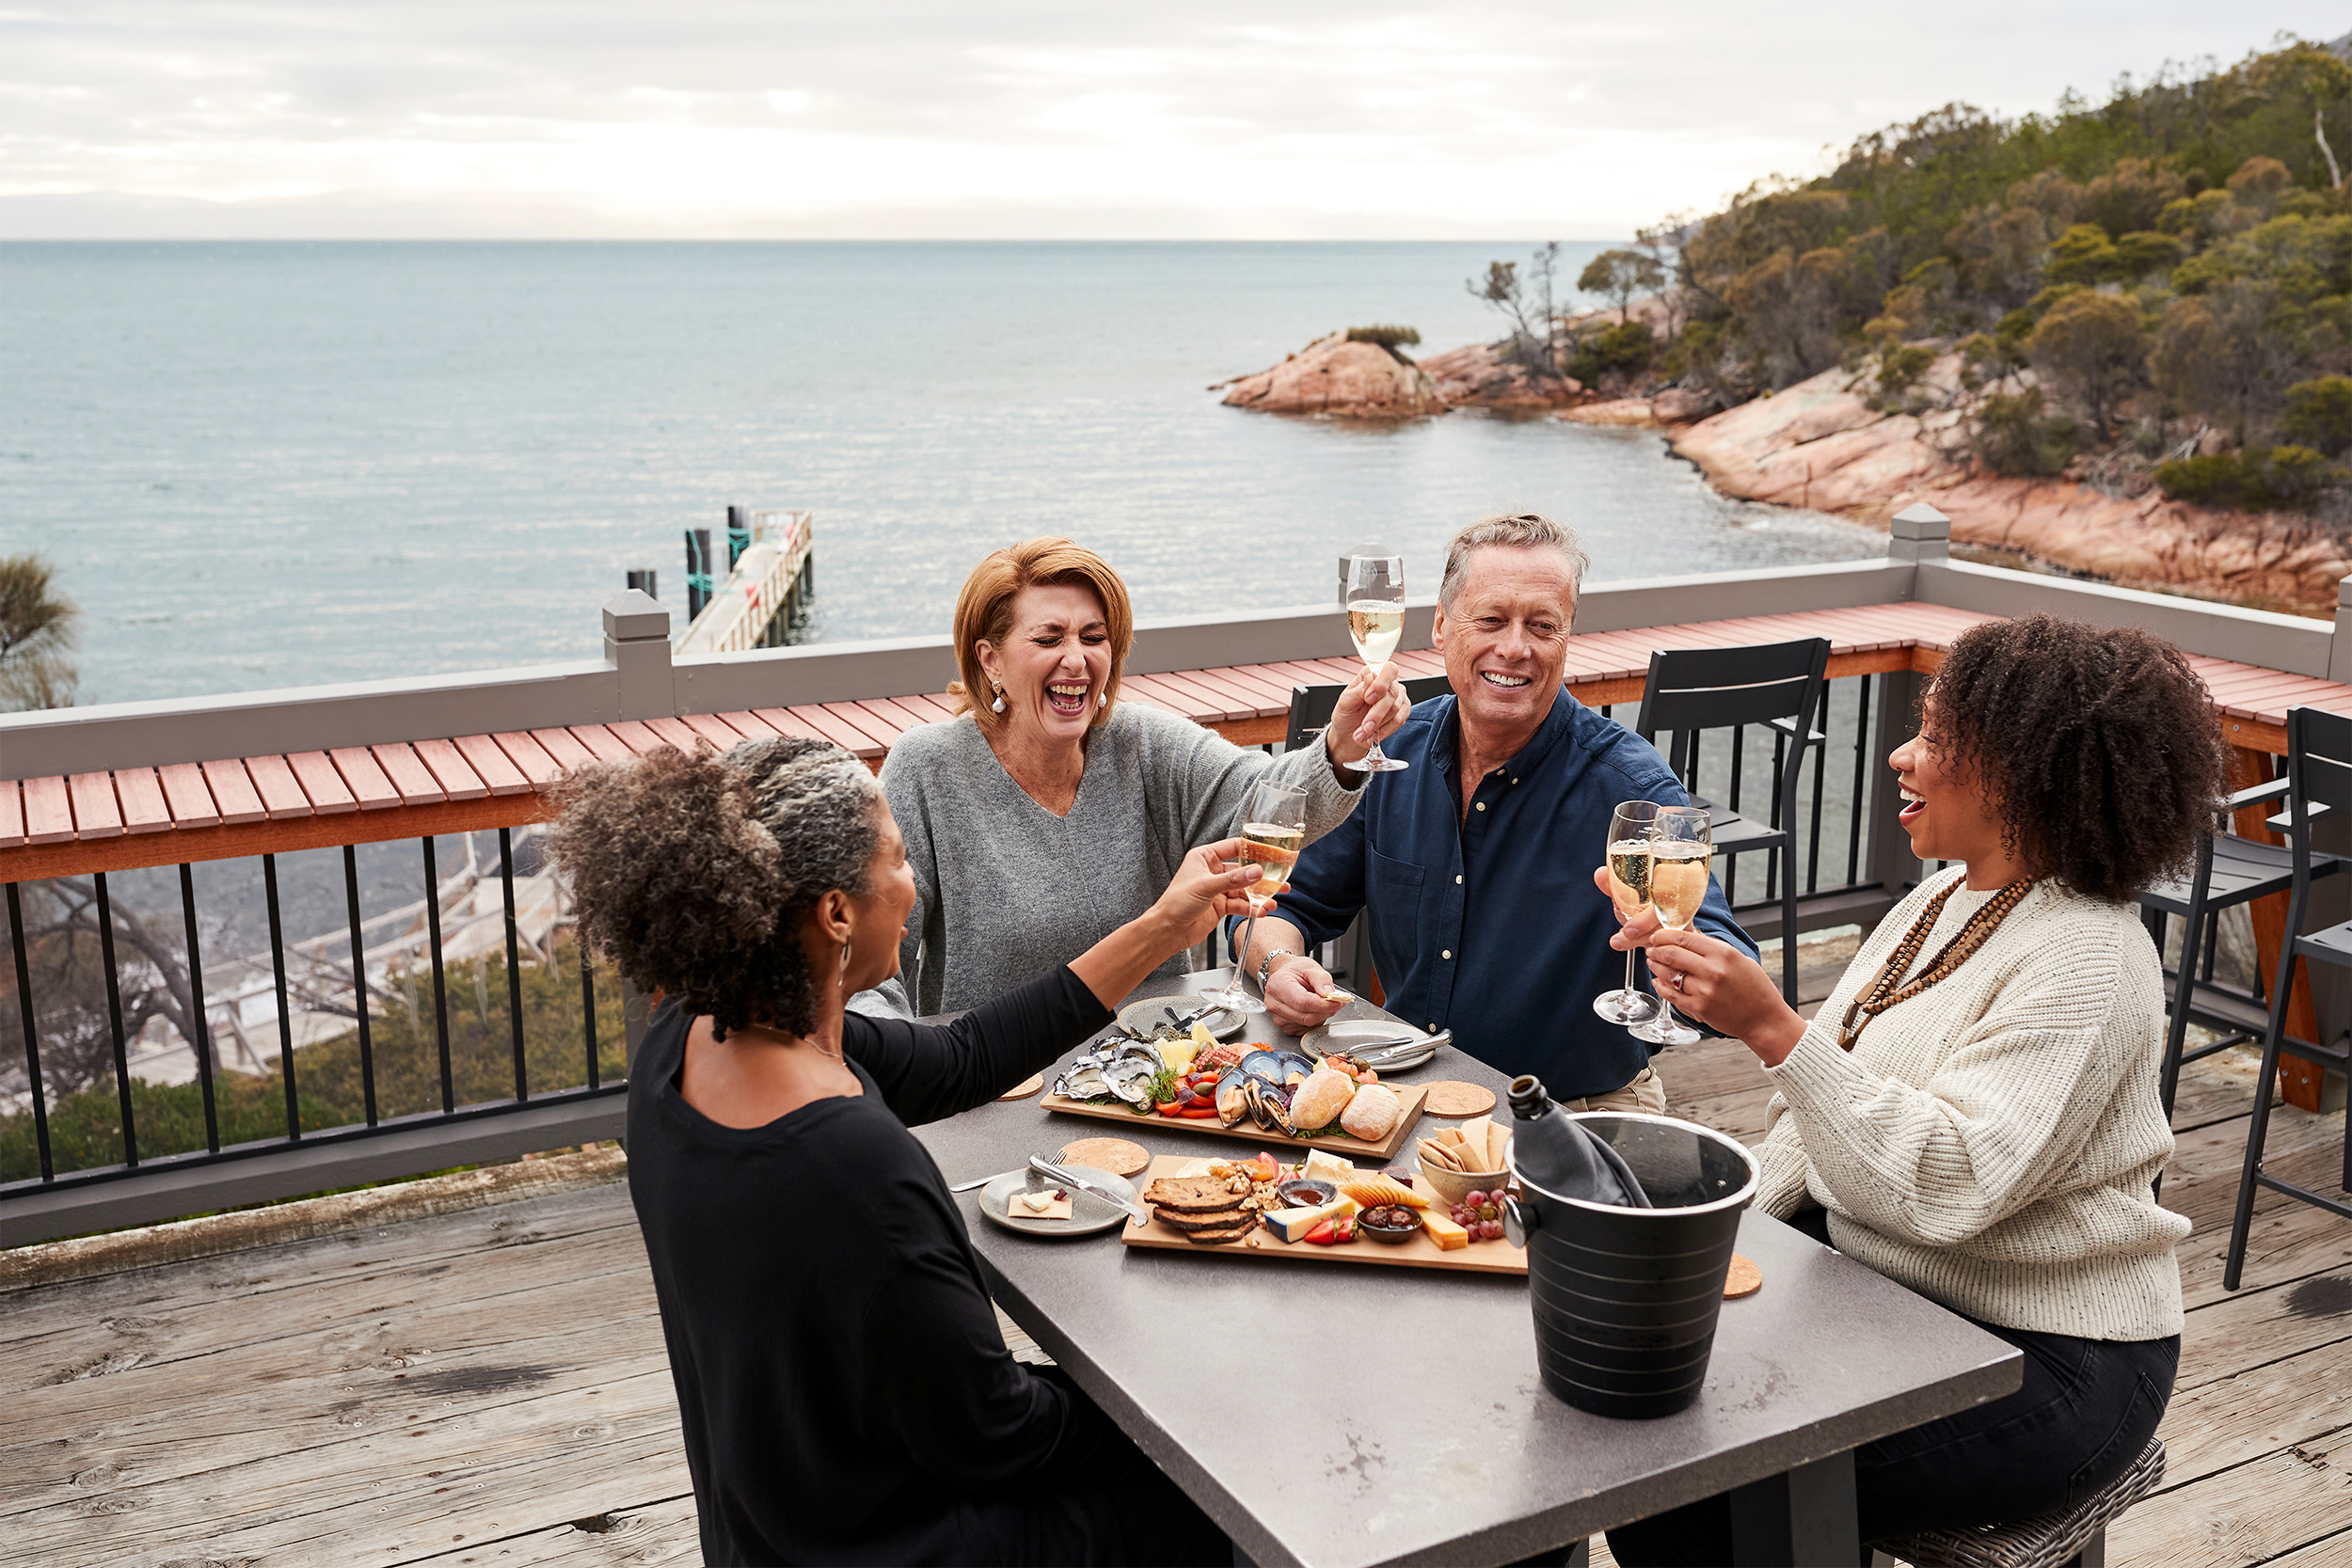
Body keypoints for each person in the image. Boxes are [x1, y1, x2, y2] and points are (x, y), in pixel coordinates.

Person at [551, 733, 1263, 1565]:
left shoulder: (691, 1039)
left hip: (770, 1524)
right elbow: (994, 1433)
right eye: (897, 857)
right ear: (837, 912)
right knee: (1217, 1507)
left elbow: (962, 1057)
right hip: (894, 1541)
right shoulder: (853, 1163)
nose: (913, 882)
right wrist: (1171, 1411)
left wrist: (1162, 926)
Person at [1602, 614, 2215, 1563]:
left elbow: (1950, 1182)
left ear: (2020, 766)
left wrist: (1771, 1028)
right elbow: (1819, 1121)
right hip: (1885, 1283)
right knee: (1634, 1390)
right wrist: (1706, 1252)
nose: (1899, 754)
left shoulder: (2090, 957)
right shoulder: (1943, 897)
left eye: (1933, 736)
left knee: (1690, 1488)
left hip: (2049, 1349)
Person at [1236, 513, 1755, 1112]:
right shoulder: (1391, 754)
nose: (1515, 648)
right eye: (1490, 619)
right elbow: (1275, 906)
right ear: (1439, 626)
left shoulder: (1630, 787)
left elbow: (1728, 972)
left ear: (1567, 638)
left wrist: (1676, 943)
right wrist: (1277, 965)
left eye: (1542, 625)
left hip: (1576, 1112)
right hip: (1405, 1093)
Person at [856, 535, 1409, 1018]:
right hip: (998, 1092)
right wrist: (898, 1078)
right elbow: (868, 969)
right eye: (1049, 639)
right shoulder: (927, 770)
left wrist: (1339, 745)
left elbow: (1267, 801)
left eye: (1093, 638)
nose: (1076, 659)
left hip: (1161, 1084)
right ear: (990, 660)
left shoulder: (1145, 745)